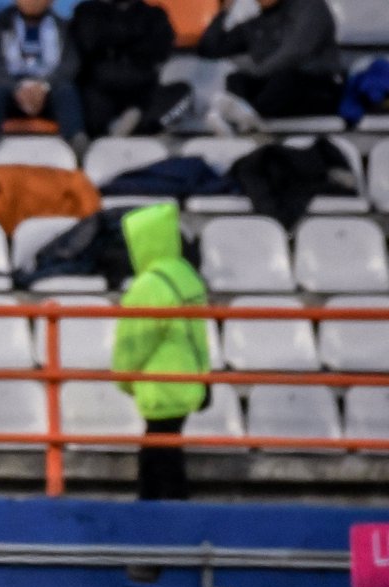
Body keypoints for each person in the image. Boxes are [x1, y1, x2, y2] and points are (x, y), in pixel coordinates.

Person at [111, 202, 208, 504]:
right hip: (186, 378)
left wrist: (124, 378)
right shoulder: (185, 275)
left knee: (160, 460)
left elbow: (133, 341)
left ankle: (159, 523)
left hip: (162, 384)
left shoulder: (149, 285)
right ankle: (157, 516)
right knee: (162, 455)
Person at [197, 0, 345, 135]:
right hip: (275, 90)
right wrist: (224, 10)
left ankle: (246, 116)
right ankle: (241, 116)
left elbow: (295, 52)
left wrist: (257, 74)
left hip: (317, 87)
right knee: (236, 79)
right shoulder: (256, 25)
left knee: (285, 80)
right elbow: (210, 48)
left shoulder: (309, 6)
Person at [69, 0, 192, 137]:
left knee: (181, 94)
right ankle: (113, 132)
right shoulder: (88, 11)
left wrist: (116, 42)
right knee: (82, 104)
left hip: (141, 90)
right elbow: (87, 43)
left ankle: (130, 125)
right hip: (99, 88)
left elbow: (161, 48)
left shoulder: (154, 14)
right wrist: (133, 36)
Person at [0, 0, 85, 148]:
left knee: (67, 91)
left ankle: (76, 143)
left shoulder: (63, 26)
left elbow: (70, 63)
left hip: (48, 86)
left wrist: (44, 86)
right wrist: (17, 88)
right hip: (10, 85)